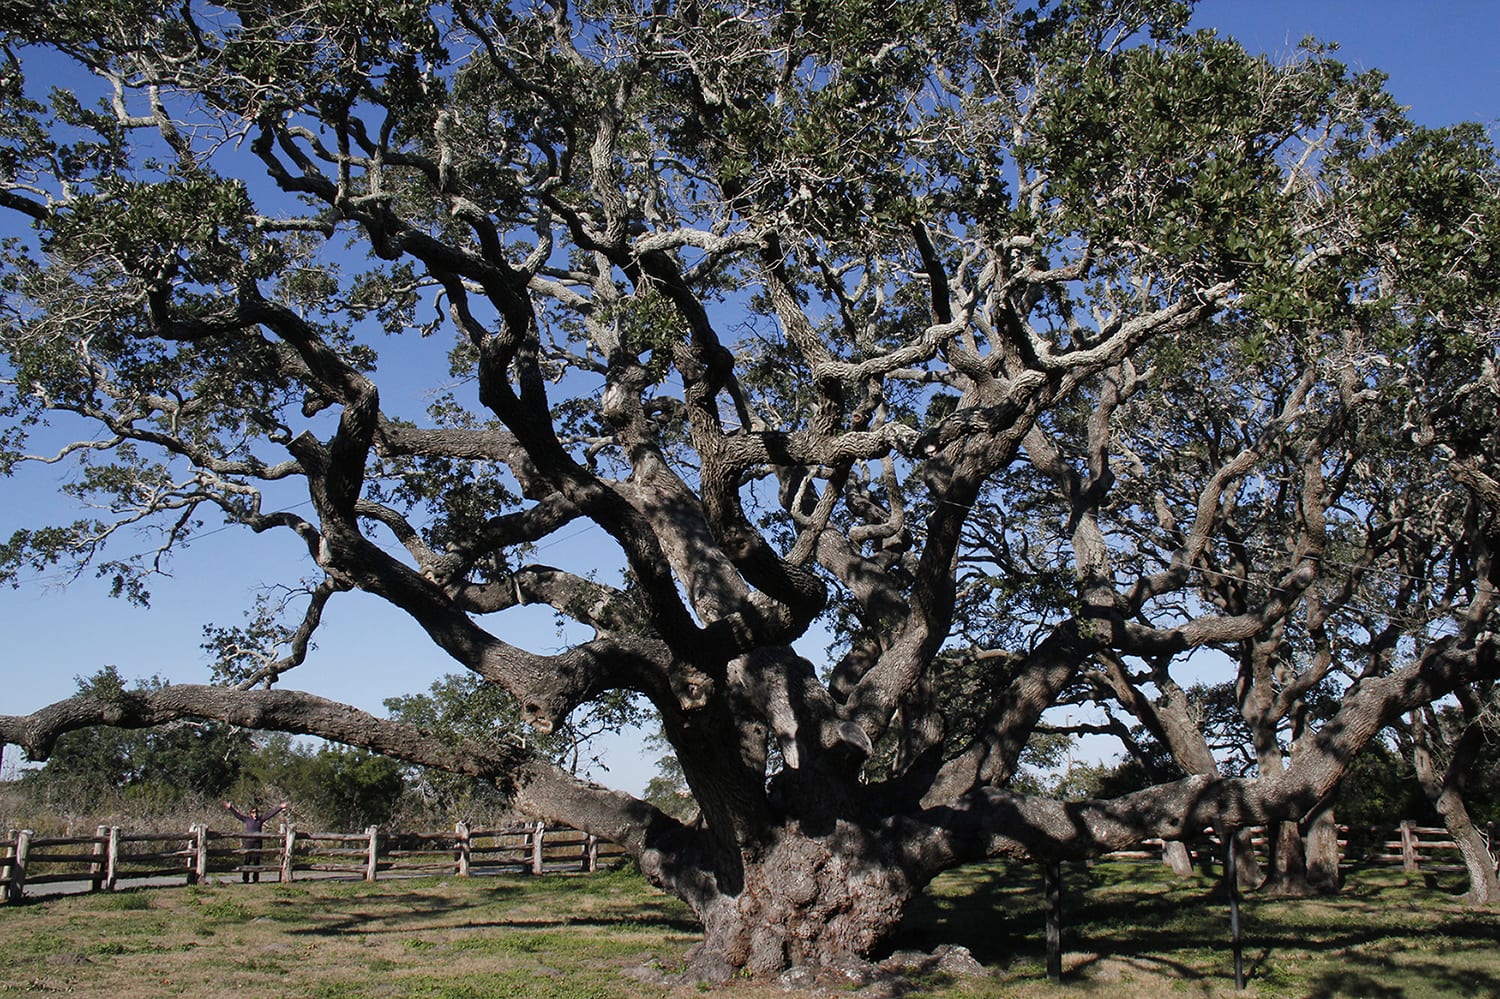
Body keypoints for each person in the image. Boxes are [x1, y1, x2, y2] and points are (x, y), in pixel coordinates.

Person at [223, 800, 289, 882]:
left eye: (256, 812)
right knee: (247, 860)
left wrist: (280, 807)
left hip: (258, 843)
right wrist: (230, 808)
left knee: (256, 861)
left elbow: (270, 814)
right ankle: (245, 878)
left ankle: (255, 878)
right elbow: (238, 815)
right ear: (250, 813)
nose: (255, 814)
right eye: (253, 812)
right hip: (249, 842)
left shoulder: (260, 820)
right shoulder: (247, 820)